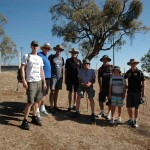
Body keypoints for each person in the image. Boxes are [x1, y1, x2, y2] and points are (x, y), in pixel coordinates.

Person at [20, 41, 47, 130]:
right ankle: (24, 121)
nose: (35, 47)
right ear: (31, 46)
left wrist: (44, 82)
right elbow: (23, 68)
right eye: (34, 45)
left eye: (37, 45)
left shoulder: (40, 58)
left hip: (39, 81)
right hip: (30, 81)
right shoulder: (27, 56)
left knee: (37, 101)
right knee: (30, 102)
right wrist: (24, 80)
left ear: (38, 47)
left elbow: (41, 70)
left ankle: (34, 117)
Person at [124, 58, 145, 128]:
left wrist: (143, 93)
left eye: (134, 63)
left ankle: (135, 120)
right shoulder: (128, 72)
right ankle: (130, 119)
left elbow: (143, 82)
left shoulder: (139, 72)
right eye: (131, 63)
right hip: (129, 92)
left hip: (137, 92)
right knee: (128, 106)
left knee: (136, 107)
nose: (132, 64)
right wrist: (126, 84)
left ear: (136, 64)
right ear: (130, 64)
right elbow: (123, 78)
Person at [36, 43, 52, 119]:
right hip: (42, 78)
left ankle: (43, 108)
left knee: (45, 94)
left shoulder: (46, 56)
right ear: (42, 48)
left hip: (48, 78)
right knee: (40, 94)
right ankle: (37, 111)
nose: (47, 49)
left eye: (48, 48)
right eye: (45, 48)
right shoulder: (39, 54)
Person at [48, 44, 64, 113]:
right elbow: (47, 66)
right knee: (52, 91)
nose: (59, 51)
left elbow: (62, 68)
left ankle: (55, 105)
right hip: (52, 77)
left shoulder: (62, 59)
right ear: (56, 50)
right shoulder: (51, 57)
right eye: (58, 49)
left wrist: (62, 77)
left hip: (59, 77)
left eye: (60, 50)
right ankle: (51, 106)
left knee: (57, 92)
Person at [98, 55, 113, 119]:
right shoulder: (100, 69)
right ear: (102, 60)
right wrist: (100, 86)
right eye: (104, 59)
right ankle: (102, 112)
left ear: (108, 60)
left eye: (106, 59)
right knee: (101, 100)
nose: (105, 60)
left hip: (110, 87)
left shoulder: (112, 67)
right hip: (103, 87)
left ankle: (109, 113)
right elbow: (99, 78)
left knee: (110, 100)